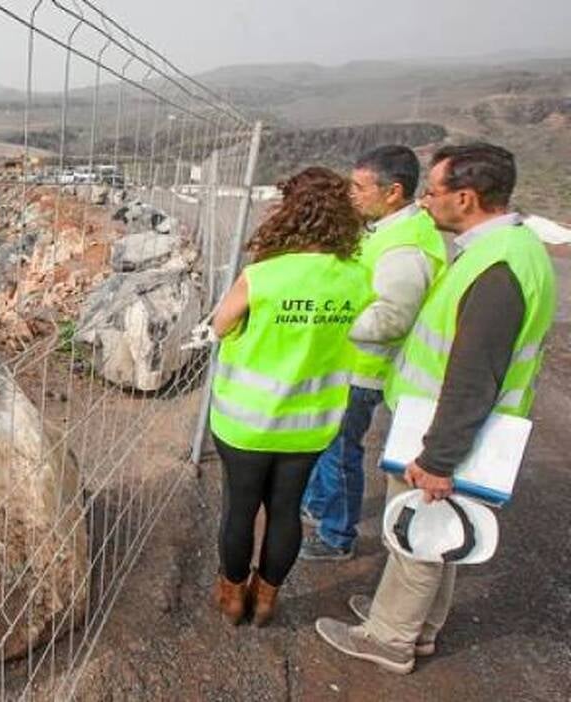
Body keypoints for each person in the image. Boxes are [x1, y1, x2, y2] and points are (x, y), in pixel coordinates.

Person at [316, 143, 557, 673]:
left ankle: (390, 638)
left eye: (434, 191)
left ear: (466, 198)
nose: (426, 202)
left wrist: (439, 457)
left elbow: (474, 374)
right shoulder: (509, 250)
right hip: (447, 421)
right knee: (440, 529)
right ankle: (417, 626)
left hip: (445, 427)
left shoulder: (499, 269)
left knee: (416, 534)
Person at [208, 167, 372, 626]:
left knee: (239, 508)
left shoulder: (262, 276)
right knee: (286, 510)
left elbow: (221, 326)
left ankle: (232, 597)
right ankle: (266, 600)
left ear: (288, 212)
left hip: (246, 421)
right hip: (311, 424)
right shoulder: (357, 279)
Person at [300, 146, 447, 560]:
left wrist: (327, 319)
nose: (352, 194)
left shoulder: (406, 246)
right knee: (327, 446)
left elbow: (391, 319)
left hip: (361, 371)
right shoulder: (385, 231)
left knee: (341, 452)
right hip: (346, 363)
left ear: (393, 191)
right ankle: (319, 505)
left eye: (360, 187)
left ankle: (337, 536)